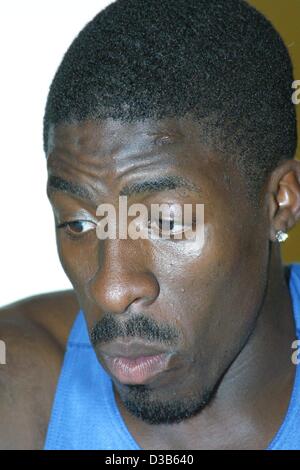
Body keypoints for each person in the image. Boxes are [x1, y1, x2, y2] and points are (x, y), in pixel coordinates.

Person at [1, 0, 300, 450]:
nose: (111, 290)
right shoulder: (20, 380)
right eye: (79, 223)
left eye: (164, 220)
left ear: (281, 201)